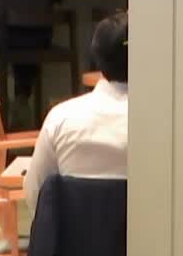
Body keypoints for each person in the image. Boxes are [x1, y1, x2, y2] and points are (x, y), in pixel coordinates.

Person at [24, 11, 127, 210]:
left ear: (97, 56)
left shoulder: (60, 118)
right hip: (148, 231)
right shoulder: (166, 124)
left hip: (73, 231)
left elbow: (35, 197)